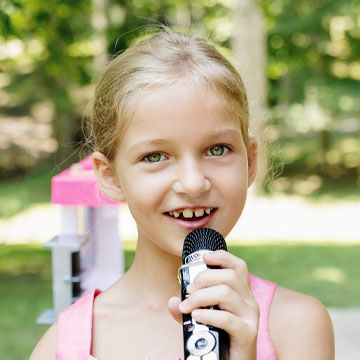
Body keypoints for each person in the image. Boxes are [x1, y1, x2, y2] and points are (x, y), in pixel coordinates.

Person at [31, 27, 334, 360]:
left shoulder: (296, 327)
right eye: (155, 157)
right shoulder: (62, 346)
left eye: (217, 149)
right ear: (111, 176)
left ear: (250, 161)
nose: (192, 183)